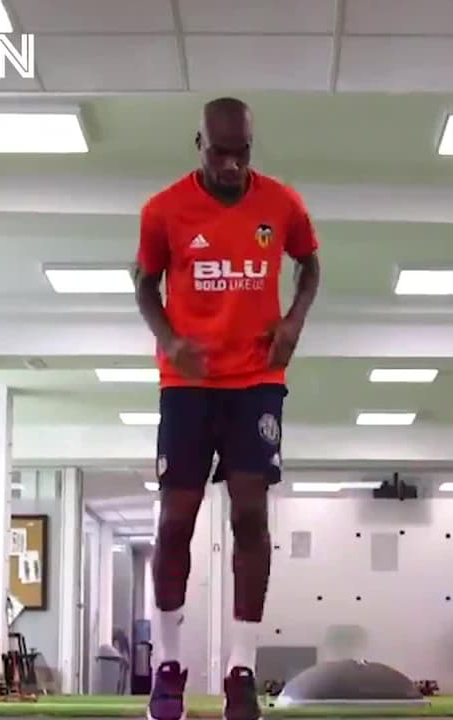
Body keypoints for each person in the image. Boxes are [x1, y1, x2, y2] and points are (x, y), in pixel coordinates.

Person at [133, 97, 321, 720]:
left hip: (256, 379)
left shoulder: (282, 203)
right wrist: (169, 340)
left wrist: (293, 321)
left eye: (243, 154)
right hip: (187, 382)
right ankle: (168, 665)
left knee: (250, 515)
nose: (233, 166)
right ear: (200, 145)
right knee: (175, 522)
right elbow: (144, 284)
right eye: (221, 154)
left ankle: (241, 668)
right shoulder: (163, 210)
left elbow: (310, 265)